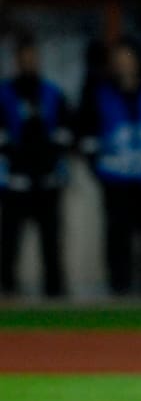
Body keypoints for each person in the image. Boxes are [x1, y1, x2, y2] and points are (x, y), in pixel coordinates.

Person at [77, 37, 141, 296]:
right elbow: (86, 133)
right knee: (117, 235)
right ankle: (118, 287)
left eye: (127, 57)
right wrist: (99, 168)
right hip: (115, 178)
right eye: (118, 59)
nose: (123, 64)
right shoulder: (100, 92)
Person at [0, 33, 72, 297]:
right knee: (10, 239)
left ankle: (55, 289)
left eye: (33, 58)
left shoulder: (51, 93)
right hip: (15, 179)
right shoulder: (5, 93)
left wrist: (52, 155)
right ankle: (7, 287)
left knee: (51, 239)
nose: (29, 62)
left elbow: (65, 132)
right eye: (24, 58)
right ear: (17, 61)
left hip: (47, 178)